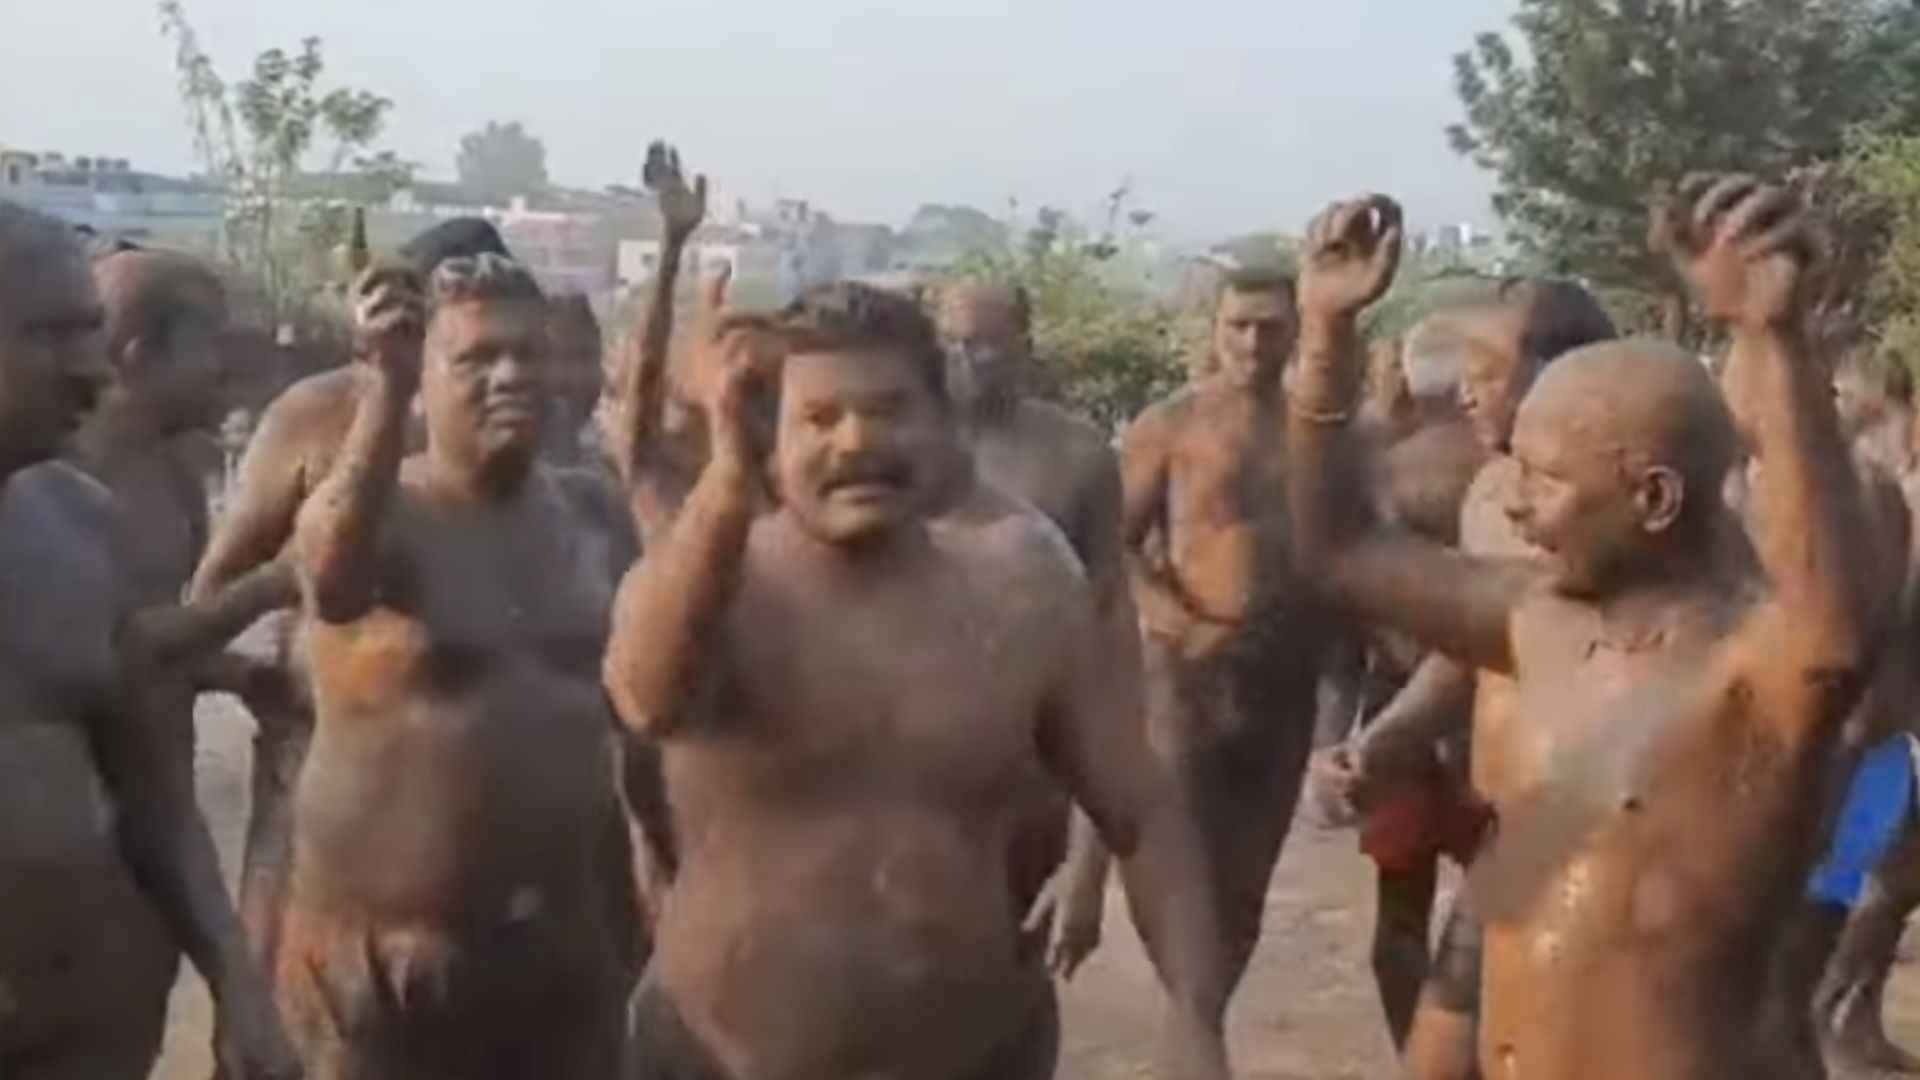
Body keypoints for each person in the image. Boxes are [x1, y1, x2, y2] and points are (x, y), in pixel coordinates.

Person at [1286, 178, 1874, 1079]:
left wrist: (1773, 335)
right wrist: (1326, 334)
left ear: (1654, 498)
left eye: (1547, 479)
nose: (1515, 505)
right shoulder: (1536, 621)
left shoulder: (1752, 671)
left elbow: (1831, 623)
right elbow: (1341, 549)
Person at [605, 281, 1230, 1080]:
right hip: (724, 1060)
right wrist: (728, 477)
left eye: (890, 410)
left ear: (942, 424)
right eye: (819, 417)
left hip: (976, 1054)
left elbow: (1138, 806)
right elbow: (647, 697)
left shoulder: (1023, 586)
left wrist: (1194, 1016)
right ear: (770, 434)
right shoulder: (708, 583)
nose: (857, 441)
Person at [278, 254, 629, 1077]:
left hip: (559, 958)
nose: (511, 376)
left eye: (527, 354)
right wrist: (384, 388)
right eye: (476, 358)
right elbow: (332, 582)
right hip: (382, 974)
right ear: (425, 376)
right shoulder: (385, 512)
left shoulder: (592, 512)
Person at [0, 201, 297, 1080]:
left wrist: (237, 981)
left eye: (90, 332)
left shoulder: (80, 526)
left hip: (67, 1025)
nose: (93, 369)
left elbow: (153, 796)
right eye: (50, 335)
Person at [188, 217, 513, 983]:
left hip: (464, 800)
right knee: (286, 995)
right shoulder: (318, 413)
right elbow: (212, 592)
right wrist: (265, 682)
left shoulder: (522, 427)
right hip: (319, 770)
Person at [1319, 282, 1618, 1079]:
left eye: (1488, 370)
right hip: (1515, 829)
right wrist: (1382, 742)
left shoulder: (1631, 500)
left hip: (1614, 833)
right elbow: (1482, 644)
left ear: (1559, 376)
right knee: (1447, 1046)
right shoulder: (1491, 493)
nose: (1465, 391)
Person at [1115, 264, 1336, 1019]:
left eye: (1270, 327)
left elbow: (1351, 544)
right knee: (1181, 877)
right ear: (1213, 331)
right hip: (1187, 679)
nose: (1252, 342)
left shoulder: (1322, 428)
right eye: (1238, 326)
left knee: (1244, 889)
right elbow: (1115, 543)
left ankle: (1197, 1026)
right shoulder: (1171, 424)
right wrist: (1169, 616)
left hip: (1283, 679)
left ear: (1295, 331)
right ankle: (1192, 1025)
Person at [931, 278, 1134, 980]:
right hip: (900, 774)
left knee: (1008, 989)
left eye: (985, 345)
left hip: (1027, 780)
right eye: (952, 342)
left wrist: (1088, 864)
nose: (967, 361)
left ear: (1025, 345)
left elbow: (1110, 651)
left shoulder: (1076, 456)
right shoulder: (893, 453)